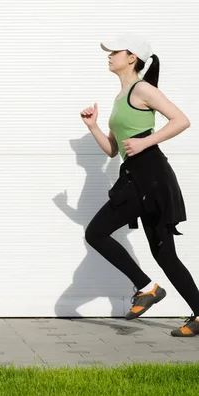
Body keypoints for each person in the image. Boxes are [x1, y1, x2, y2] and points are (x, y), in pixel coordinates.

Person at [79, 32, 199, 337]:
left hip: (151, 176)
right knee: (165, 254)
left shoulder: (143, 89)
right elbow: (113, 149)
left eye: (114, 51)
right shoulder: (121, 97)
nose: (109, 56)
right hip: (137, 175)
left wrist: (146, 142)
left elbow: (181, 120)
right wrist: (93, 126)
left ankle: (146, 287)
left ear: (132, 57)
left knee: (96, 232)